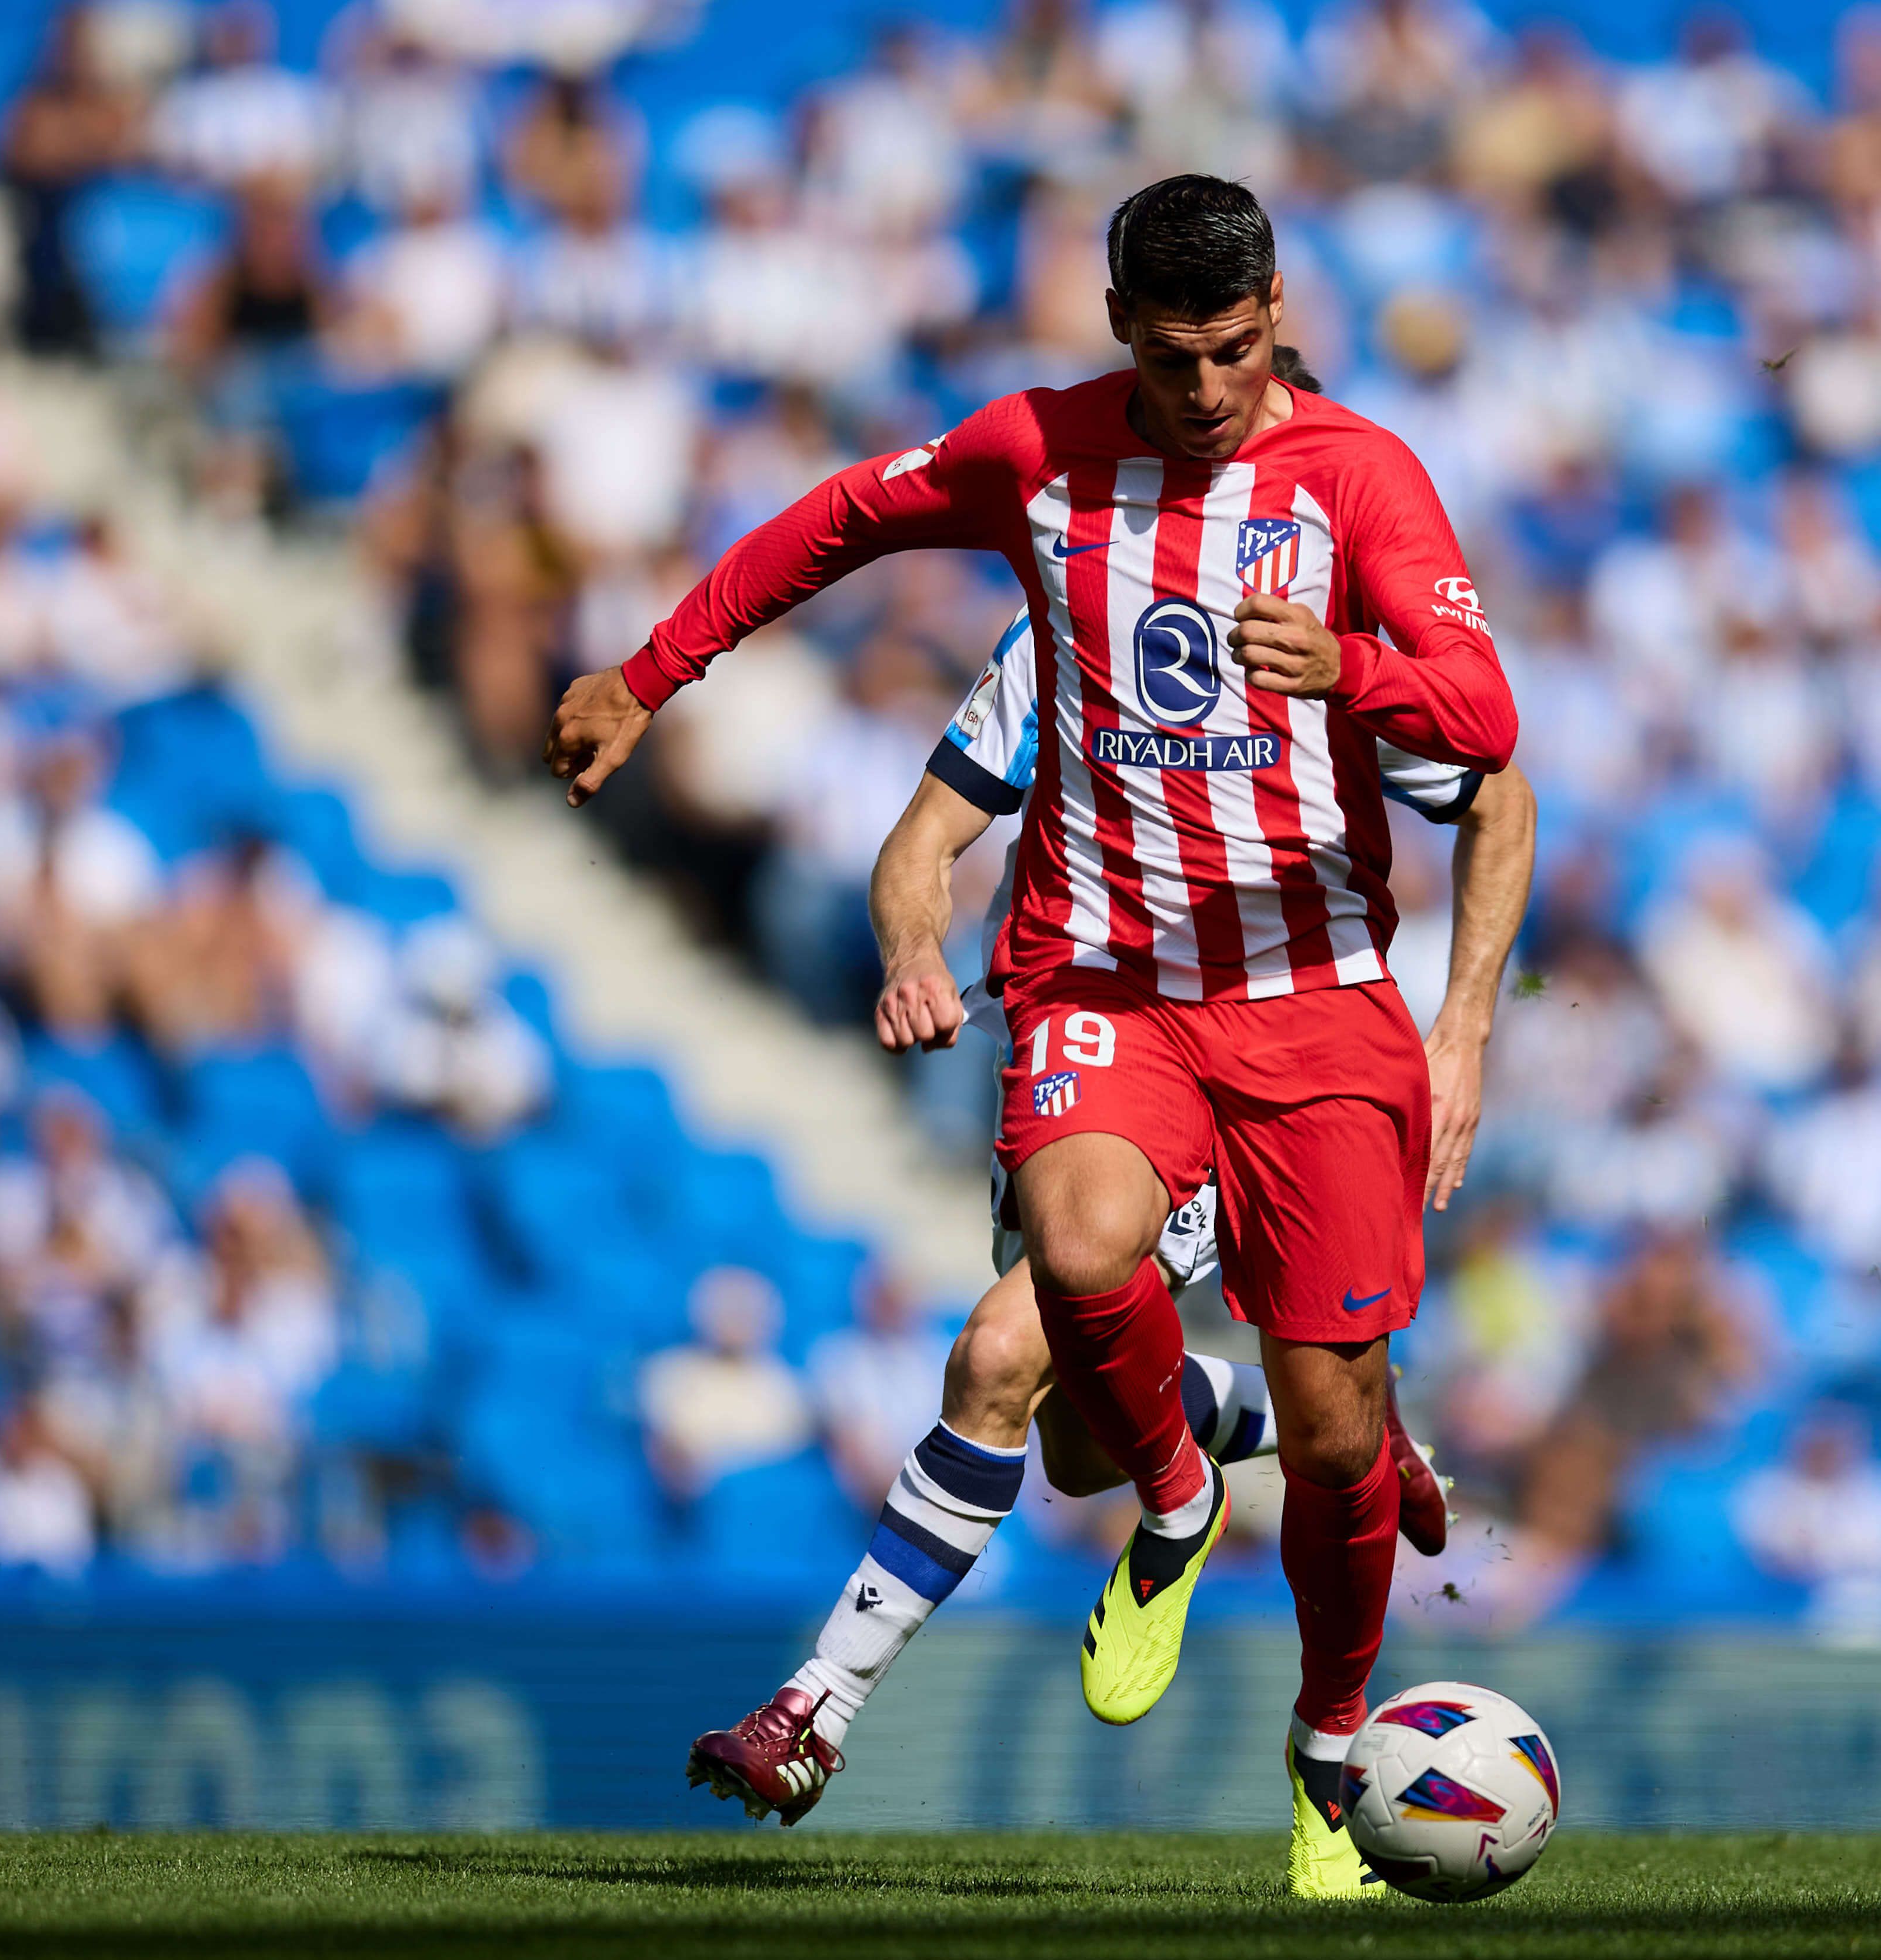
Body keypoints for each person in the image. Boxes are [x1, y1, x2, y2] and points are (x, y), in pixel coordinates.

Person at [554, 176, 1519, 1896]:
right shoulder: (1040, 460)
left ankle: (1323, 1760)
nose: (1207, 389)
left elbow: (1489, 723)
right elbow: (840, 521)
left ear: (1276, 310)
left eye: (1233, 351)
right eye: (1171, 356)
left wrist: (1355, 673)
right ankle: (1169, 1504)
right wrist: (650, 670)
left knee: (1336, 1429)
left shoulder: (1362, 479)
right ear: (1116, 328)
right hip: (1104, 988)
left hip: (1312, 1004)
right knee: (1072, 1280)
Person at [691, 576, 1535, 1831]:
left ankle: (816, 1704)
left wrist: (1464, 1020)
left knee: (993, 1354)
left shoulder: (1317, 643)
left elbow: (1496, 795)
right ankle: (1331, 1414)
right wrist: (912, 948)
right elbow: (921, 841)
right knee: (1080, 1443)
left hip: (1247, 1062)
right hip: (1083, 1042)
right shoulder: (1068, 626)